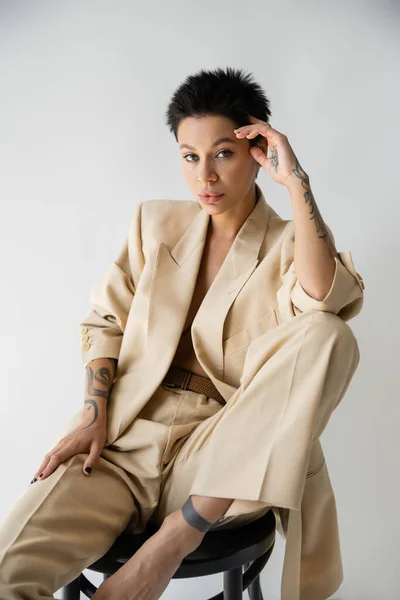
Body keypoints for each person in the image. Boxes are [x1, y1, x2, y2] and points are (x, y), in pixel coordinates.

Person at [0, 67, 365, 600]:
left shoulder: (291, 242)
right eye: (190, 157)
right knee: (9, 569)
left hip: (219, 455)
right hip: (124, 444)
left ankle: (175, 538)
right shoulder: (155, 224)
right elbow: (105, 322)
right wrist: (94, 415)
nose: (205, 177)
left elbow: (325, 299)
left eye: (223, 153)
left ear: (257, 151)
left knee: (330, 336)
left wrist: (296, 182)